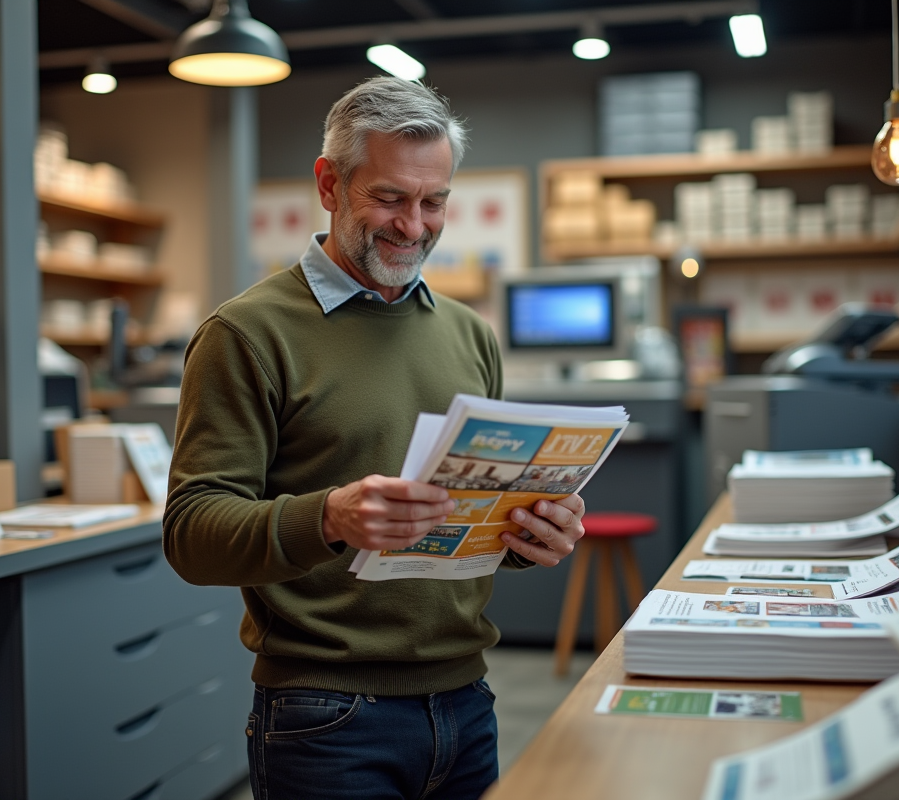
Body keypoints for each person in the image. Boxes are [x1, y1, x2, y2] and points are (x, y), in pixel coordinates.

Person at [164, 76, 587, 800]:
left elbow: (470, 523)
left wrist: (531, 533)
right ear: (329, 185)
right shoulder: (245, 333)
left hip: (467, 703)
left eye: (434, 202)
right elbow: (192, 534)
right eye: (390, 198)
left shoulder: (469, 334)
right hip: (324, 717)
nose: (414, 226)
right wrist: (329, 517)